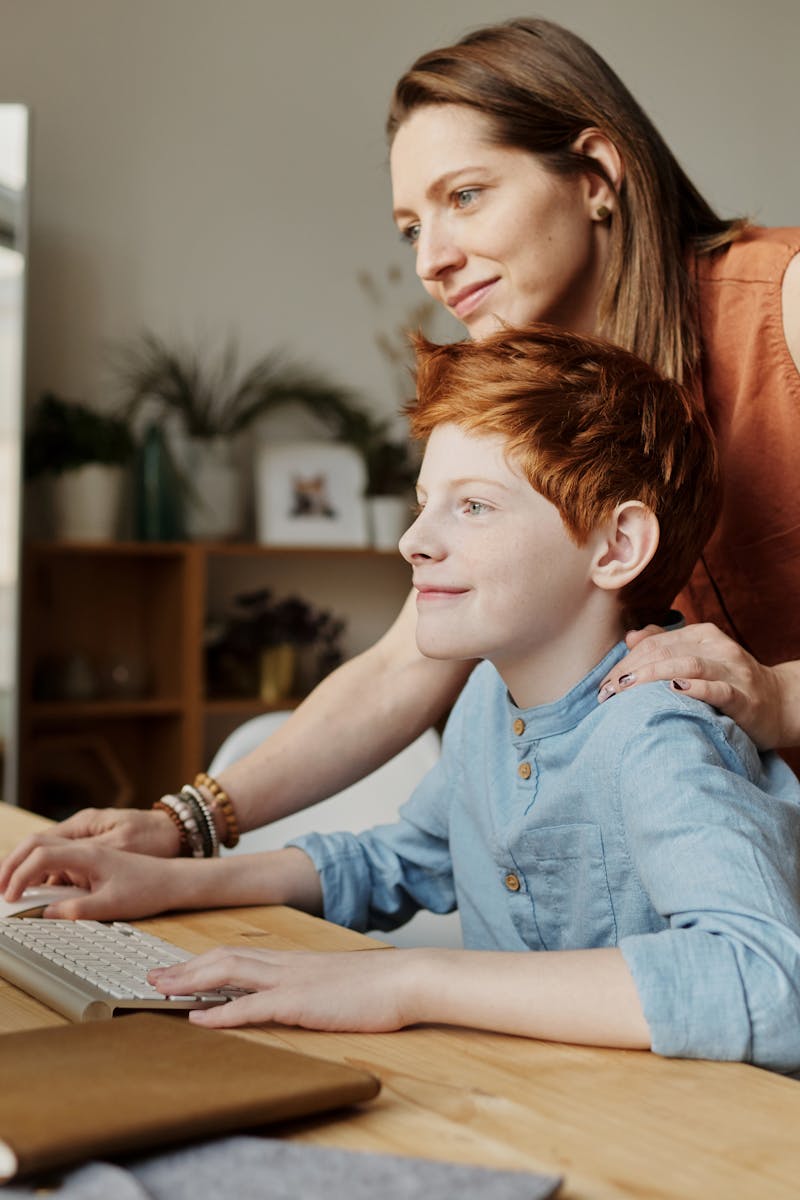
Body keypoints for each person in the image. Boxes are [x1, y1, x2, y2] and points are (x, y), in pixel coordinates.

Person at [1, 15, 799, 877]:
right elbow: (403, 665)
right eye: (411, 228)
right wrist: (182, 823)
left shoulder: (783, 300)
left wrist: (778, 694)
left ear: (597, 174)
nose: (432, 261)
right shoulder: (529, 389)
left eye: (464, 196)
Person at [7, 326, 800, 1073]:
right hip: (516, 1093)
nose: (413, 539)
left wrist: (409, 982)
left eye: (474, 505)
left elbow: (766, 979)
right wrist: (170, 878)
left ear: (616, 546)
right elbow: (403, 861)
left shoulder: (656, 730)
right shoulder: (491, 699)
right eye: (425, 500)